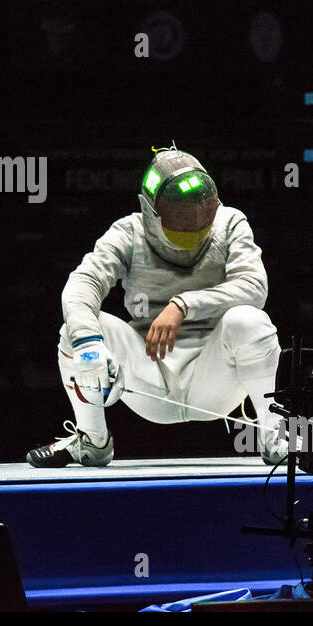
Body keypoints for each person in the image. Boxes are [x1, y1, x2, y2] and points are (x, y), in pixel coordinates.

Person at [27, 146, 285, 467]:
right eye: (180, 216)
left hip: (215, 380)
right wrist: (89, 346)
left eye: (201, 216)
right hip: (151, 377)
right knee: (74, 333)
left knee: (249, 320)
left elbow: (254, 288)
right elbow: (84, 283)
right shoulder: (128, 233)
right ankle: (92, 441)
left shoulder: (230, 223)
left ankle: (275, 438)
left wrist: (184, 304)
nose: (192, 225)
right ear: (151, 210)